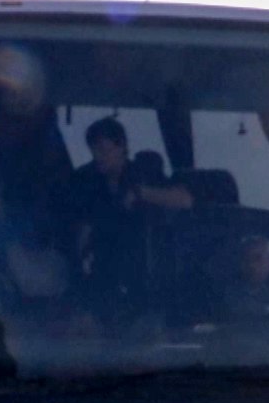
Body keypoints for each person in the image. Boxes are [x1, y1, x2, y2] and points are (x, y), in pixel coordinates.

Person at [67, 118, 192, 311]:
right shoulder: (85, 180)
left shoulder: (145, 173)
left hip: (148, 276)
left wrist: (141, 193)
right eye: (93, 150)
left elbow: (184, 200)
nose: (98, 156)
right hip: (102, 276)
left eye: (103, 149)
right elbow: (81, 235)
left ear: (122, 146)